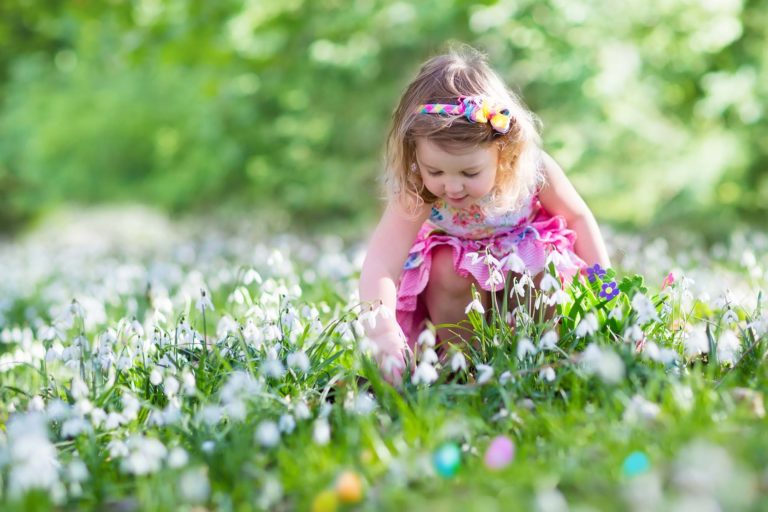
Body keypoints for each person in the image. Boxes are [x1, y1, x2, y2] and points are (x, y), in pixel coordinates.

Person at [358, 46, 611, 385]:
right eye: (436, 170)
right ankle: (461, 363)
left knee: (542, 259)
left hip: (522, 278)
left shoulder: (531, 170)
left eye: (469, 173)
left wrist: (605, 289)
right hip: (462, 290)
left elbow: (578, 218)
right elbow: (382, 262)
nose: (452, 187)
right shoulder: (417, 188)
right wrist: (380, 327)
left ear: (503, 151)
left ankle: (540, 354)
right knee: (444, 265)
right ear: (414, 152)